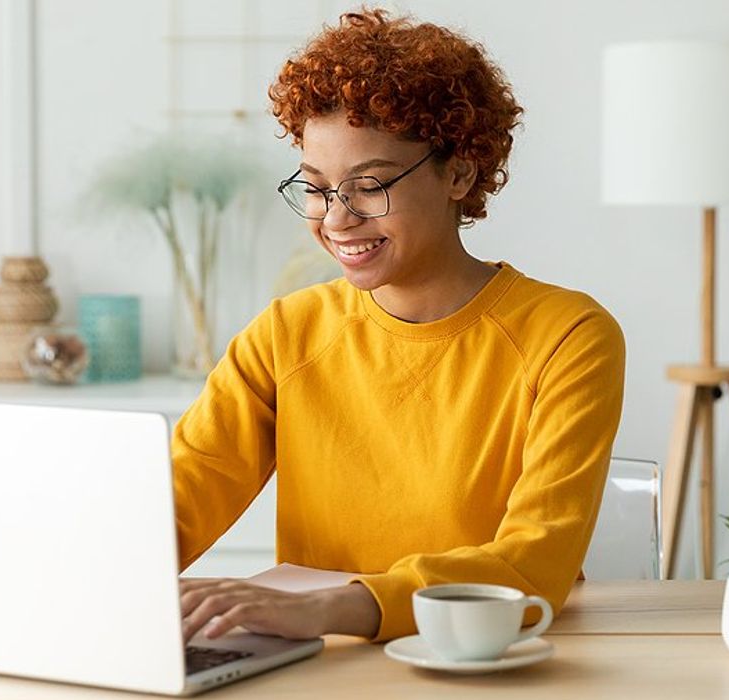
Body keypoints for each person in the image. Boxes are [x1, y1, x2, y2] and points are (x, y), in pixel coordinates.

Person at [173, 9, 625, 644]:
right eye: (317, 188)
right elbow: (181, 498)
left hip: (493, 662)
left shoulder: (568, 335)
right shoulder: (285, 334)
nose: (337, 219)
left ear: (460, 173)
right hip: (324, 668)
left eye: (369, 186)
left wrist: (331, 606)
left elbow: (534, 561)